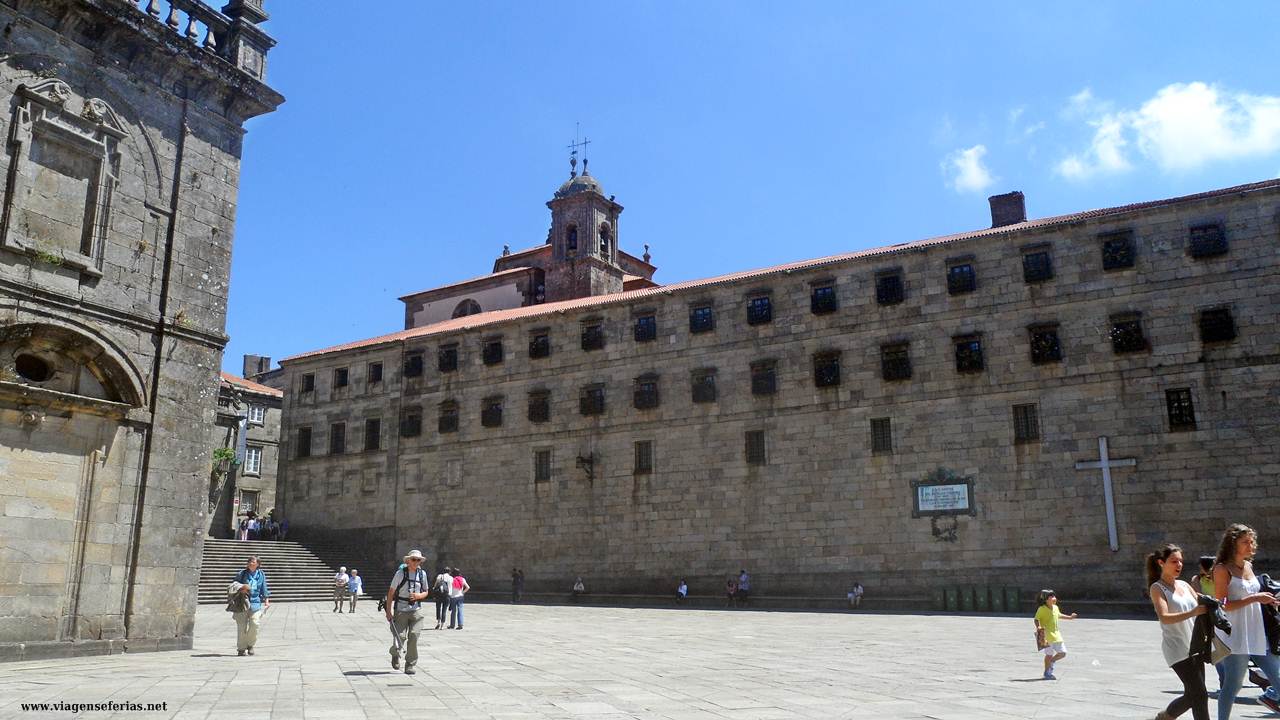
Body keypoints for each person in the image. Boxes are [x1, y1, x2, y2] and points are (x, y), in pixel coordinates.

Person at [1212, 524, 1280, 718]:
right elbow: (1223, 604)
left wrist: (1269, 600)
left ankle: (1270, 697)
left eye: (1252, 541)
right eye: (1245, 542)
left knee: (1277, 678)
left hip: (1257, 632)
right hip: (1235, 635)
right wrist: (1255, 598)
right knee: (1233, 685)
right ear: (1233, 544)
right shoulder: (1222, 569)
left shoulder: (1248, 566)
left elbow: (1252, 594)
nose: (1251, 545)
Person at [1147, 543, 1210, 720]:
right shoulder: (1157, 588)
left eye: (1181, 561)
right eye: (1174, 561)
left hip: (1195, 645)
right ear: (1161, 563)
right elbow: (1164, 617)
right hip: (1177, 648)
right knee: (1200, 695)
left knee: (1193, 695)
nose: (1179, 565)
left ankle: (1166, 717)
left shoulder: (1185, 585)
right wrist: (1193, 612)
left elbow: (1204, 603)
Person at [385, 549, 430, 675]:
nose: (416, 562)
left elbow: (426, 591)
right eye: (414, 559)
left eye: (418, 560)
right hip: (401, 610)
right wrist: (388, 611)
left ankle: (410, 664)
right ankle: (395, 653)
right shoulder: (400, 573)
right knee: (400, 637)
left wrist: (419, 596)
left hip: (416, 610)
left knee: (414, 635)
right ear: (408, 561)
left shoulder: (422, 574)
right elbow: (391, 592)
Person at [1033, 589, 1077, 680]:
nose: (1054, 598)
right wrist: (1038, 627)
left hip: (1057, 635)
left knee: (1063, 653)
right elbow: (1036, 619)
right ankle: (1047, 672)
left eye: (1054, 596)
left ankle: (1052, 661)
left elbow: (1059, 615)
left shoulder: (1055, 607)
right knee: (1049, 655)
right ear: (1046, 599)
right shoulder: (1042, 609)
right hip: (1046, 636)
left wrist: (1070, 617)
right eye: (1051, 597)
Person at [230, 556, 270, 657]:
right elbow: (234, 584)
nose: (250, 563)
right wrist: (242, 588)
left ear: (258, 564)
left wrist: (266, 600)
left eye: (253, 562)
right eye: (249, 562)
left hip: (255, 602)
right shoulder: (242, 573)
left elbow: (264, 587)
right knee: (241, 626)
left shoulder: (261, 574)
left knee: (255, 624)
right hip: (242, 602)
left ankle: (250, 645)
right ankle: (241, 649)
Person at [433, 566, 453, 630]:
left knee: (438, 608)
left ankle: (438, 622)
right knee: (444, 610)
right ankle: (442, 625)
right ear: (449, 572)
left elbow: (436, 584)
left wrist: (434, 589)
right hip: (447, 595)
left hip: (439, 594)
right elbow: (451, 586)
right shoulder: (451, 578)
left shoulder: (440, 576)